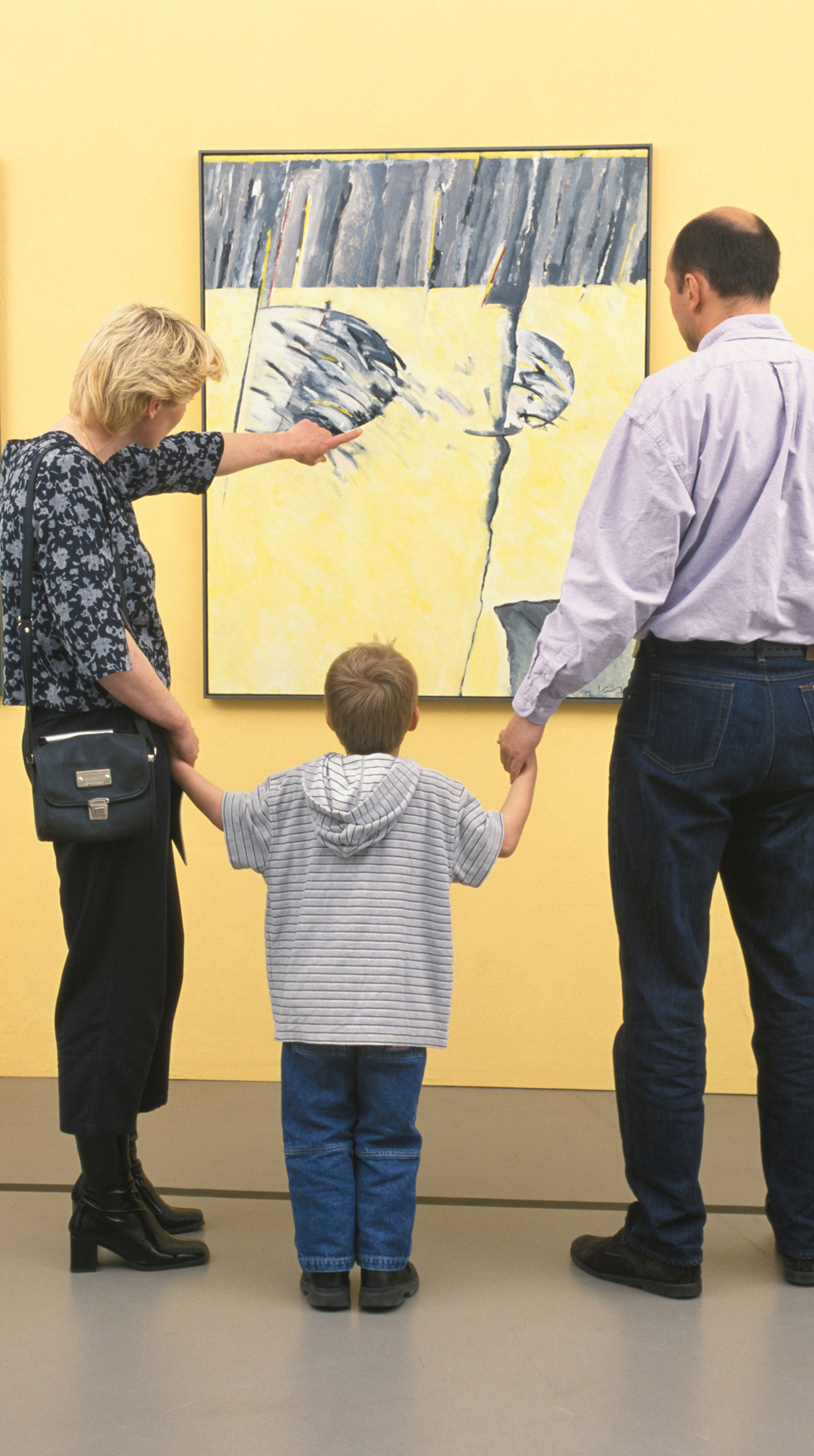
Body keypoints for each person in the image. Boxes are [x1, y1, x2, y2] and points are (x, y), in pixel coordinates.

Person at [0, 302, 360, 1274]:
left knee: (144, 961)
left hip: (108, 752)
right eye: (180, 400)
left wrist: (289, 443)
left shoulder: (70, 461)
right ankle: (101, 1202)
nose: (182, 419)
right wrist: (178, 721)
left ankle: (120, 1177)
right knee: (117, 973)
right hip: (103, 754)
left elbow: (190, 460)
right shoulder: (67, 482)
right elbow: (99, 644)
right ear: (146, 399)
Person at [498, 208, 814, 1297]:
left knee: (667, 982)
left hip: (688, 703)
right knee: (798, 983)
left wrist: (533, 704)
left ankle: (668, 1240)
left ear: (689, 287)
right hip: (804, 702)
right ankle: (808, 1235)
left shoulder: (675, 400)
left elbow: (616, 585)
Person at [170, 640, 537, 1309]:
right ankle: (387, 1272)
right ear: (413, 718)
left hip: (312, 1012)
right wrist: (524, 775)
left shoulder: (288, 793)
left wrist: (176, 767)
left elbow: (230, 813)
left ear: (330, 717)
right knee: (389, 1139)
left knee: (316, 1138)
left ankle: (325, 1272)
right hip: (400, 1012)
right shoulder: (437, 796)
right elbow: (501, 839)